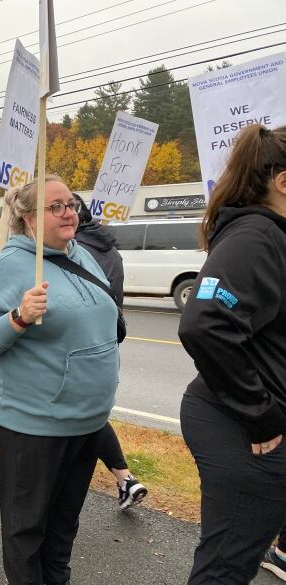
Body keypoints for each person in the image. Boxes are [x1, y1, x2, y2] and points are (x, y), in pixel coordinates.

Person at [0, 177, 120, 585]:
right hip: (34, 424)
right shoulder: (6, 267)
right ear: (27, 218)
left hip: (86, 421)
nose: (69, 212)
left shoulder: (80, 255)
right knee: (27, 530)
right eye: (55, 207)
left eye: (69, 204)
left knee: (62, 528)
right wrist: (16, 317)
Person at [178, 124, 286, 585]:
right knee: (226, 566)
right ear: (283, 182)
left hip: (247, 417)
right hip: (240, 425)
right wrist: (259, 415)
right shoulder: (256, 237)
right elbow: (205, 322)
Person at [73, 193, 147, 510]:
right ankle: (125, 479)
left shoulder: (76, 251)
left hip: (79, 344)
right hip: (107, 340)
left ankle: (124, 478)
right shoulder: (110, 248)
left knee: (85, 416)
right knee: (93, 412)